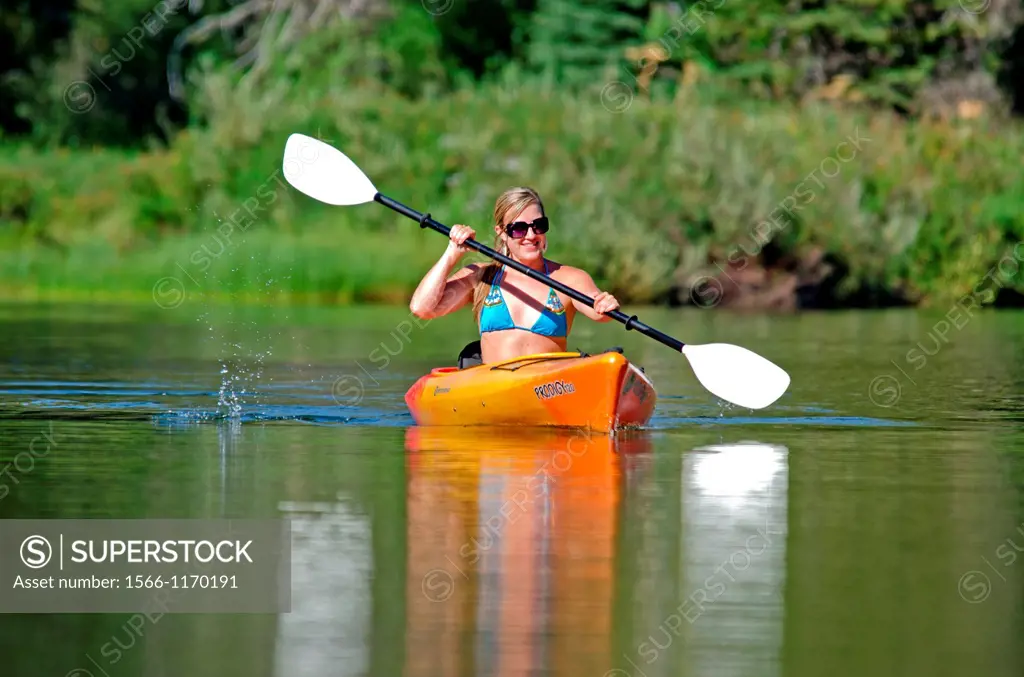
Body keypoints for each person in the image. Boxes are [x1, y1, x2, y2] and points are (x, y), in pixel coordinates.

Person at [409, 187, 621, 365]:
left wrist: (605, 305)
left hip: (548, 389)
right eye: (519, 229)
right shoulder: (481, 276)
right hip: (494, 391)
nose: (531, 235)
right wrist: (452, 253)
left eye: (538, 226)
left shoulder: (569, 278)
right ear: (501, 232)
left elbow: (598, 311)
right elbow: (423, 308)